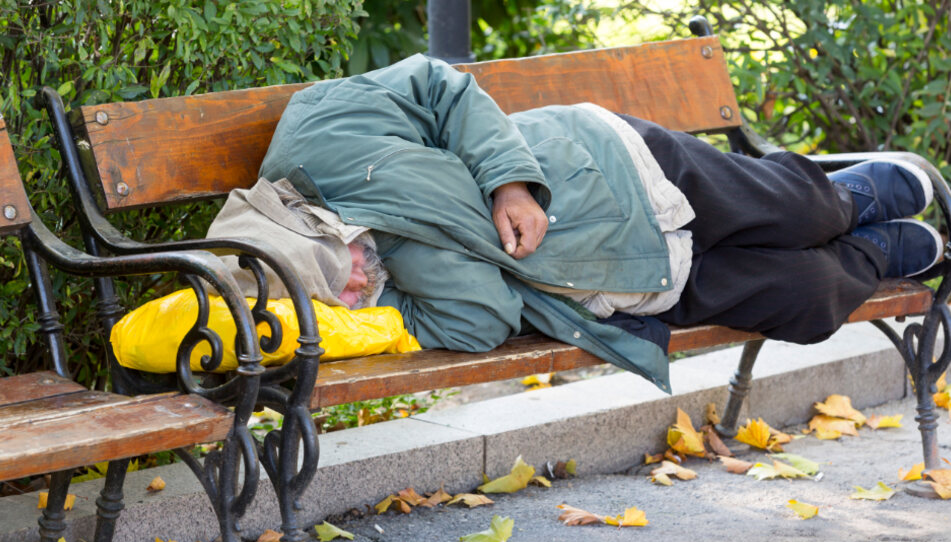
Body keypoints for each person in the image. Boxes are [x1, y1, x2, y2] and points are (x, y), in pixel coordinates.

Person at [254, 54, 941, 393]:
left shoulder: (316, 135)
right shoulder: (384, 287)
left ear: (304, 225)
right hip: (620, 287)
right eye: (332, 301)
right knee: (805, 294)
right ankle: (873, 257)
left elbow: (439, 83)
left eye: (329, 273)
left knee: (801, 210)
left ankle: (850, 200)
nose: (348, 291)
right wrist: (394, 285)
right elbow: (481, 321)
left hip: (616, 171)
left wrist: (509, 182)